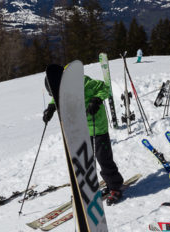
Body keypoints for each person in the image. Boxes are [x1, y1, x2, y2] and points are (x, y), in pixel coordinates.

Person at [42, 74, 124, 204]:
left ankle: (115, 187)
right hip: (82, 127)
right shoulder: (62, 89)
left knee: (103, 158)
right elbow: (57, 98)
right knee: (85, 159)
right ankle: (89, 188)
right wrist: (51, 107)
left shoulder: (84, 83)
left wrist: (96, 99)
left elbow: (105, 88)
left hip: (97, 126)